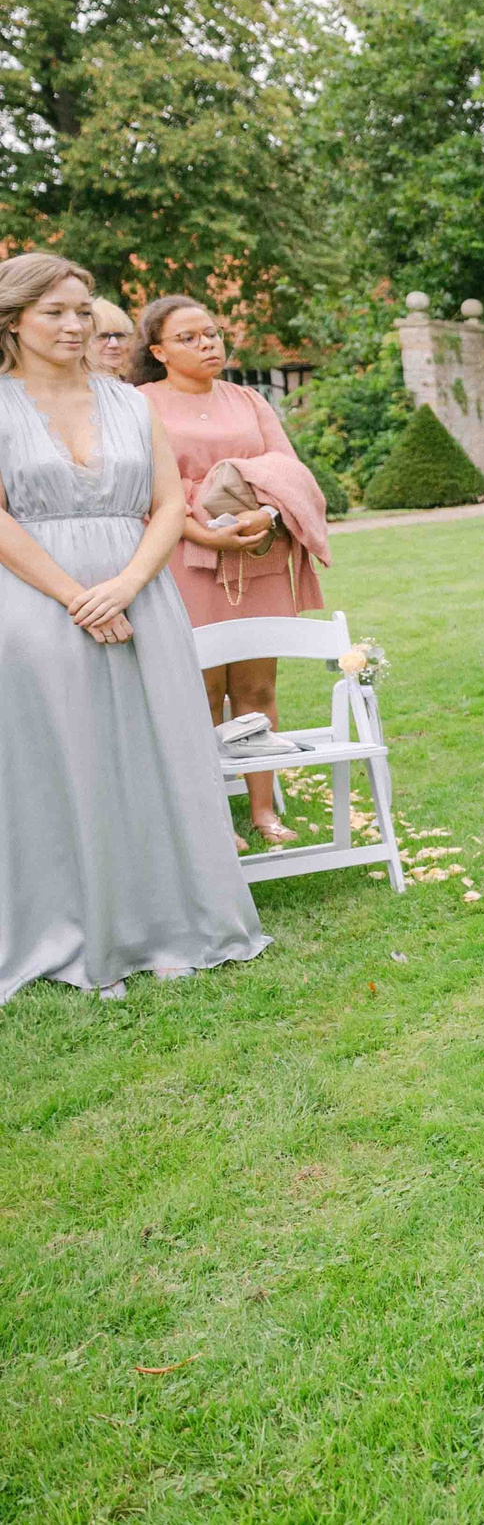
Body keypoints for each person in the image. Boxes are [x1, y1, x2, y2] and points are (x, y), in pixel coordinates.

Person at [0, 253, 267, 1000]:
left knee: (155, 751)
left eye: (83, 309)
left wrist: (122, 585)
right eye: (54, 310)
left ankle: (170, 916)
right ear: (14, 320)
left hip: (141, 593)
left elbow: (170, 505)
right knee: (63, 761)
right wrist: (76, 596)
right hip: (35, 603)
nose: (74, 324)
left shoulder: (130, 404)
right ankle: (72, 923)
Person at [134, 295, 331, 847]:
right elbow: (141, 485)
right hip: (183, 553)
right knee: (200, 687)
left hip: (256, 551)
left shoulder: (248, 399)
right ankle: (210, 817)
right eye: (189, 338)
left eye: (213, 333)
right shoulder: (139, 403)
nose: (207, 344)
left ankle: (264, 811)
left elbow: (287, 469)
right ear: (158, 351)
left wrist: (264, 515)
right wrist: (198, 529)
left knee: (256, 684)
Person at [88, 298, 134, 379]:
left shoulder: (137, 388)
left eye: (120, 336)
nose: (114, 344)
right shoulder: (71, 389)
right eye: (102, 336)